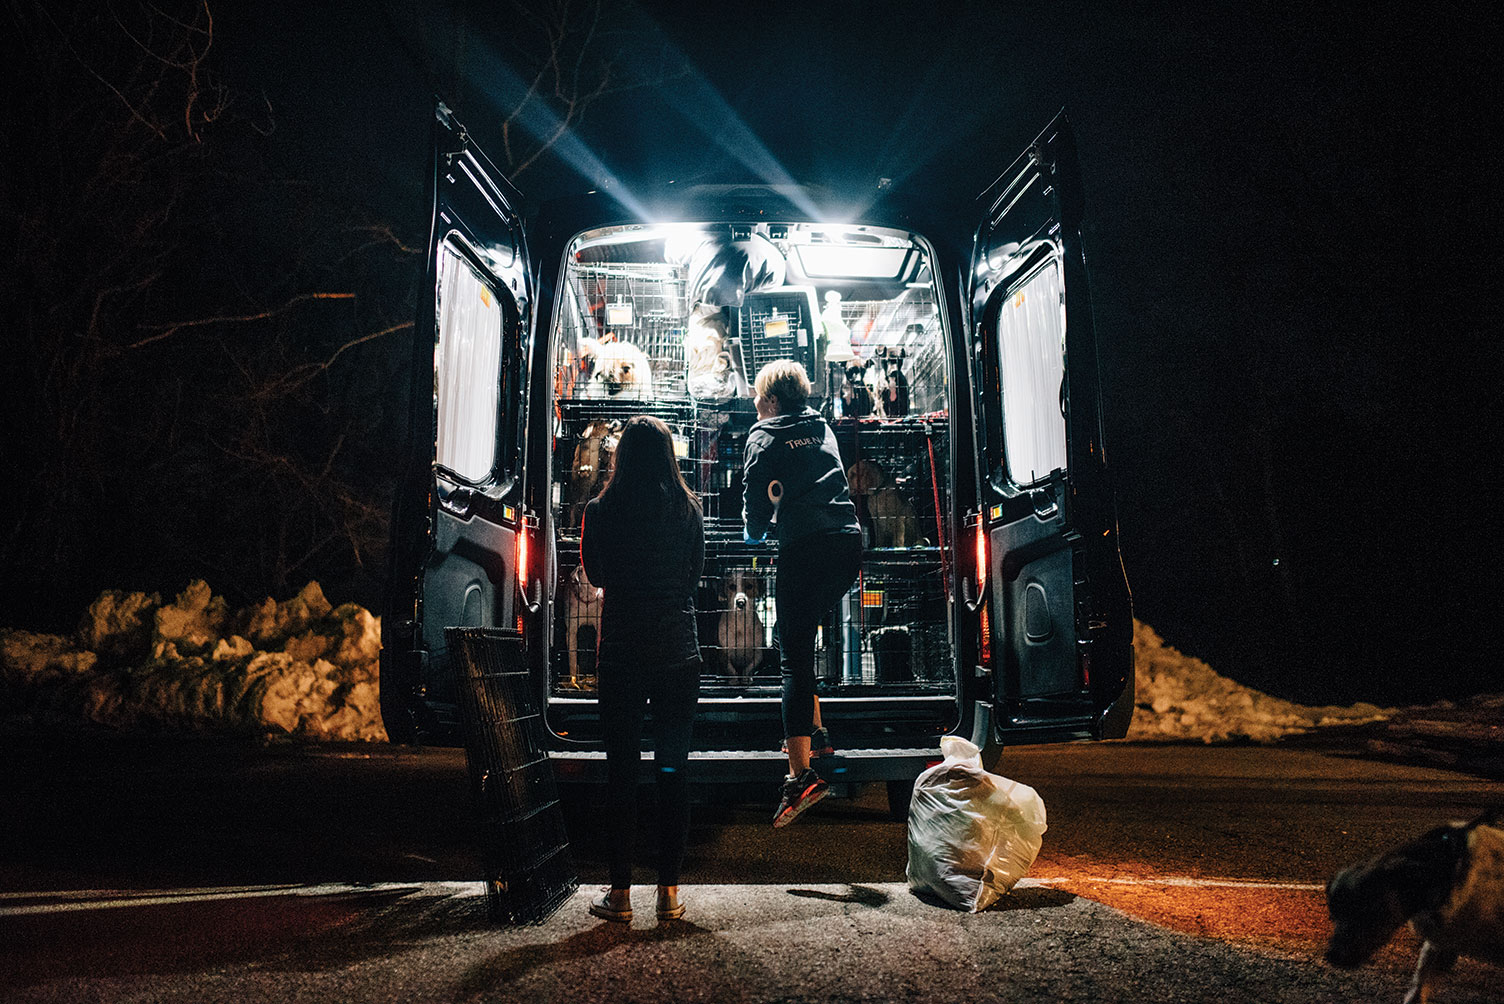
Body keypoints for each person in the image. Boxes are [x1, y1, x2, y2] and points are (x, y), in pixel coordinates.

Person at [581, 415, 705, 922]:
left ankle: (621, 895)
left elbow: (595, 574)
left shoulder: (600, 510)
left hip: (622, 652)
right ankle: (670, 893)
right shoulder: (689, 509)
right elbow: (695, 579)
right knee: (673, 771)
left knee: (622, 774)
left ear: (621, 458)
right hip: (678, 654)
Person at [743, 360, 863, 827]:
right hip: (847, 545)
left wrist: (754, 532)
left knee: (792, 652)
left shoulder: (764, 434)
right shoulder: (822, 428)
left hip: (807, 547)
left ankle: (801, 776)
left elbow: (755, 501)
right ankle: (819, 732)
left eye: (758, 397)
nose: (755, 404)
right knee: (801, 634)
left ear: (771, 400)